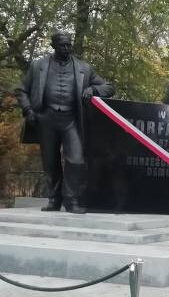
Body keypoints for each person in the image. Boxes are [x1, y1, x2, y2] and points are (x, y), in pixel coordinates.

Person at [15, 31, 115, 214]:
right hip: (46, 119)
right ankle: (54, 200)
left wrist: (93, 89)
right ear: (54, 45)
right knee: (50, 163)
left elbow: (109, 87)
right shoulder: (38, 66)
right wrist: (28, 110)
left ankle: (71, 200)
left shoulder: (84, 68)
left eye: (69, 45)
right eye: (63, 45)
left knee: (76, 160)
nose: (67, 48)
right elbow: (21, 90)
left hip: (71, 120)